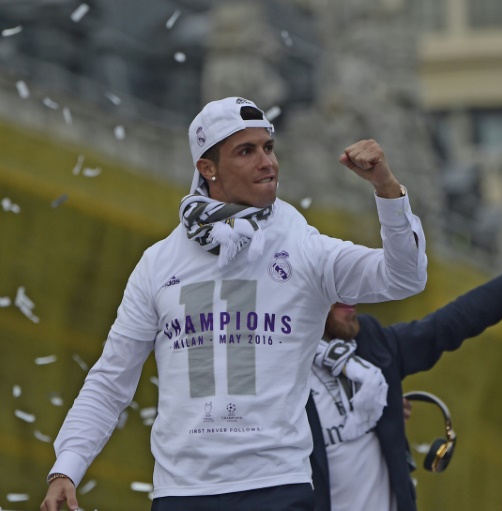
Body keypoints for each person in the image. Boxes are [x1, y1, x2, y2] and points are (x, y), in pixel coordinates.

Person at [40, 96, 428, 511]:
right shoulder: (158, 262)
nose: (268, 162)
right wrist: (67, 467)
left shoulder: (302, 245)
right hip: (180, 495)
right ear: (207, 169)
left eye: (268, 148)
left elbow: (404, 276)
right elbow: (111, 378)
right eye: (247, 151)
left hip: (278, 487)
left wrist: (387, 190)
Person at [306, 181, 502, 511]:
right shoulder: (275, 368)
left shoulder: (373, 347)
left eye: (351, 288)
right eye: (336, 292)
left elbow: (458, 319)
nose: (349, 299)